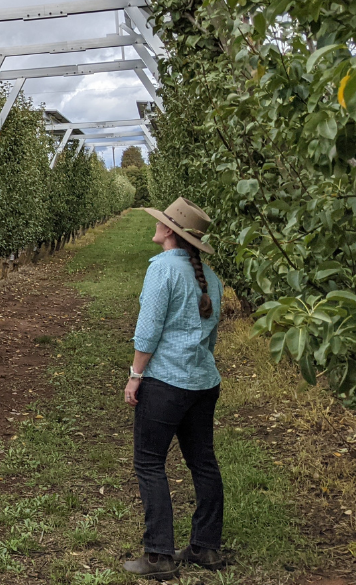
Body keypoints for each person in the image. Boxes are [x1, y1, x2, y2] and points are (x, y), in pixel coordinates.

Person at [121, 198, 227, 579]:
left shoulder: (162, 270)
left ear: (169, 232)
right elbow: (211, 335)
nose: (158, 225)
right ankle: (206, 547)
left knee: (149, 462)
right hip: (202, 382)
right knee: (203, 461)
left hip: (166, 383)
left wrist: (135, 375)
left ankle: (159, 555)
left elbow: (148, 331)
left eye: (161, 222)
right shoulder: (209, 277)